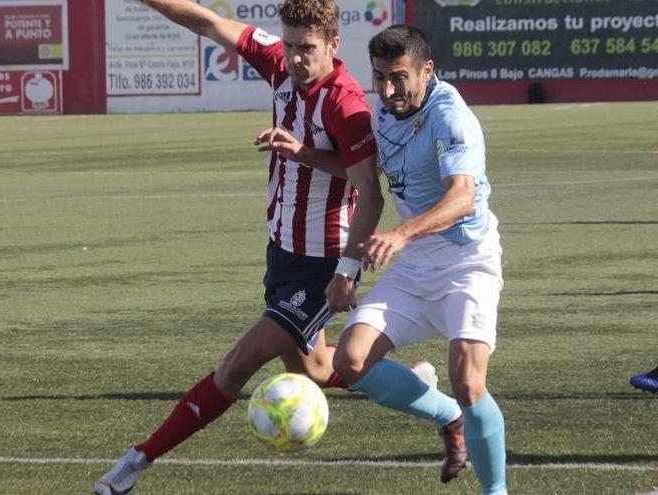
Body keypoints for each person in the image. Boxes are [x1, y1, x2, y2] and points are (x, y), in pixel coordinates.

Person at [94, 2, 462, 494]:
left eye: (306, 49)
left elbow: (368, 193)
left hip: (321, 261)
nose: (294, 58)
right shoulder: (279, 62)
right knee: (321, 368)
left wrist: (346, 270)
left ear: (333, 46)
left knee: (238, 363)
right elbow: (208, 22)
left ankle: (136, 463)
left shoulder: (347, 104)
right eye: (289, 45)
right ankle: (428, 396)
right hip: (282, 254)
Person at [328, 25, 507, 495]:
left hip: (467, 261)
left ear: (427, 70)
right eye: (380, 77)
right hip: (413, 265)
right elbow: (364, 175)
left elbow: (462, 198)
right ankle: (448, 418)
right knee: (350, 362)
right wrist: (302, 152)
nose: (388, 90)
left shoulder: (451, 117)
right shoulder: (385, 113)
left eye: (399, 77)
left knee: (469, 383)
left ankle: (496, 491)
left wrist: (402, 233)